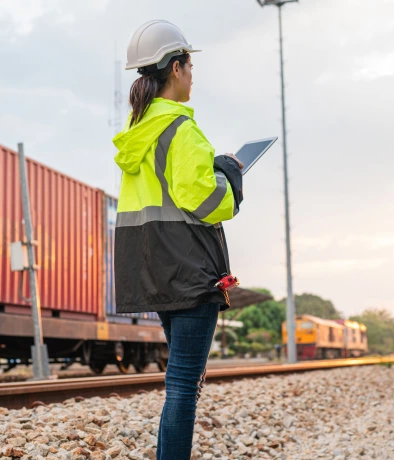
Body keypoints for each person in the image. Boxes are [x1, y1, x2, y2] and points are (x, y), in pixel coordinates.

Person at [113, 20, 244, 459]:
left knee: (179, 384)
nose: (192, 75)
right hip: (190, 271)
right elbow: (206, 201)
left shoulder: (139, 133)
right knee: (184, 386)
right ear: (175, 67)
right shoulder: (181, 130)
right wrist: (231, 177)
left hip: (156, 269)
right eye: (190, 66)